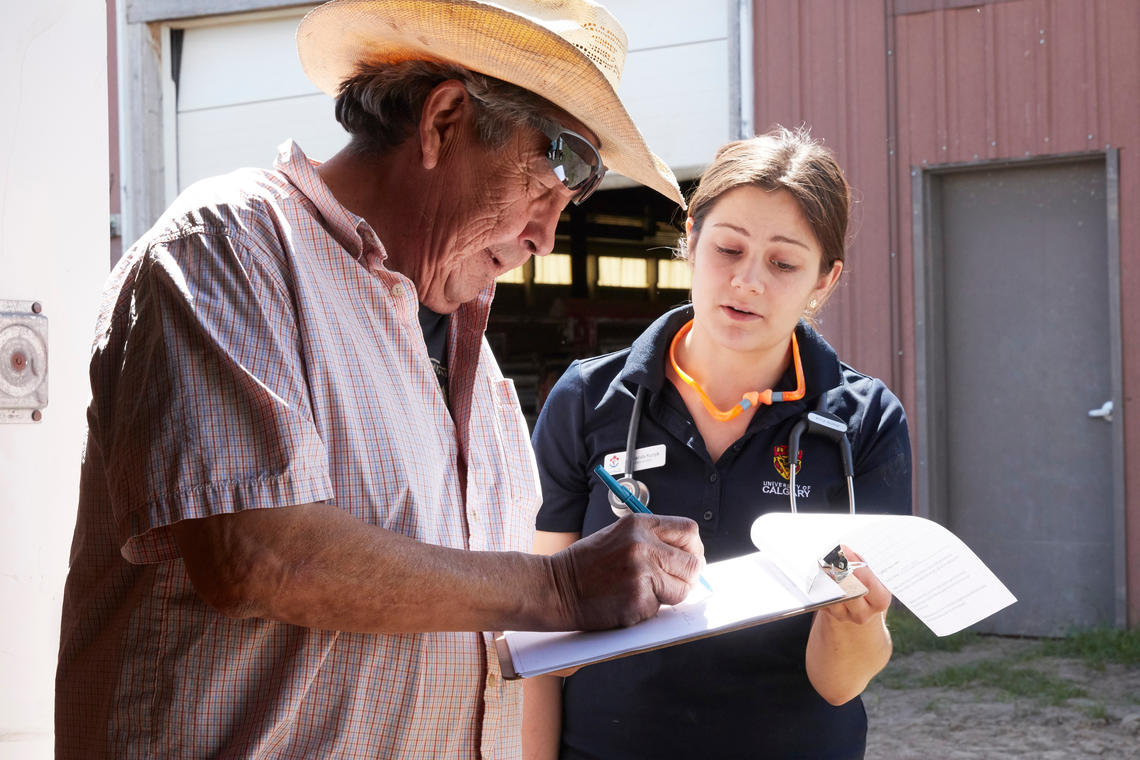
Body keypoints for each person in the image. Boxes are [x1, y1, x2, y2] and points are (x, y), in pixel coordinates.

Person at [54, 1, 707, 757]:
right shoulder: (228, 249)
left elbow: (464, 618)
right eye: (549, 174)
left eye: (574, 198)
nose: (546, 235)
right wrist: (558, 589)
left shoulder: (477, 359)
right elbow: (256, 553)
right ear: (443, 121)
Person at [523, 127, 912, 759]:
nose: (748, 281)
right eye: (728, 249)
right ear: (691, 240)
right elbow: (540, 637)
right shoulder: (587, 400)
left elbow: (839, 683)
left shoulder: (862, 423)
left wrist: (857, 619)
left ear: (825, 278)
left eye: (784, 263)